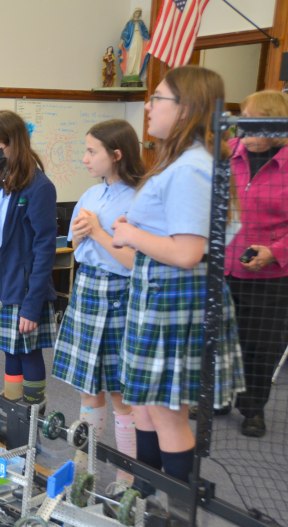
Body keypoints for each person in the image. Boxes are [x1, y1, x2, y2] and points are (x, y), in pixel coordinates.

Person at [110, 66, 245, 483]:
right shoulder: (181, 161)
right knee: (148, 407)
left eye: (158, 99)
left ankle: (178, 519)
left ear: (186, 109)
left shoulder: (191, 167)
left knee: (168, 415)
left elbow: (187, 253)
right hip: (159, 295)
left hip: (175, 297)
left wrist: (130, 232)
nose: (148, 107)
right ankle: (147, 501)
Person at [52, 120, 145, 478]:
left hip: (120, 295)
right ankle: (82, 464)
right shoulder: (90, 196)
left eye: (92, 152)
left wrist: (98, 232)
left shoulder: (139, 198)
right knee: (89, 392)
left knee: (121, 396)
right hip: (87, 290)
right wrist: (78, 235)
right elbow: (76, 250)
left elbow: (135, 262)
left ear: (117, 155)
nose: (85, 158)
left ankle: (127, 475)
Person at [0, 110, 58, 407]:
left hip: (22, 281)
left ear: (14, 143)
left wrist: (32, 306)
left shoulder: (40, 187)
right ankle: (12, 410)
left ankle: (33, 412)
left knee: (28, 349)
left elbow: (45, 248)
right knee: (10, 349)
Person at [224, 90, 288, 438]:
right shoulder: (226, 155)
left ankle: (252, 408)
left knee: (259, 345)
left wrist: (275, 251)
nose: (244, 127)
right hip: (223, 267)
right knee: (217, 338)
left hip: (270, 275)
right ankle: (217, 397)